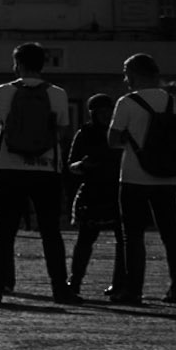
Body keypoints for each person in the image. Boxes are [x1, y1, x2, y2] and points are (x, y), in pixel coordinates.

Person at [0, 42, 77, 306]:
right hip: (46, 169)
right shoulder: (57, 93)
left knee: (5, 232)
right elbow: (61, 130)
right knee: (50, 232)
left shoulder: (3, 91)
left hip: (10, 168)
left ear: (18, 64)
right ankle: (60, 289)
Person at [108, 53, 176, 305]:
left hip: (134, 175)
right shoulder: (169, 100)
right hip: (166, 176)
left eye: (126, 73)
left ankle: (133, 290)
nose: (125, 79)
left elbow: (112, 140)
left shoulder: (126, 102)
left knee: (133, 235)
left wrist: (132, 143)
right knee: (170, 233)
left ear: (134, 74)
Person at [65, 93, 122, 300]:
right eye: (102, 112)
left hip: (117, 189)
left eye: (109, 111)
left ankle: (119, 284)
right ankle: (75, 281)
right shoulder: (86, 133)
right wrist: (83, 165)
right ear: (93, 113)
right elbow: (71, 164)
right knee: (85, 239)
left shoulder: (120, 132)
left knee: (122, 240)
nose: (106, 115)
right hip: (94, 189)